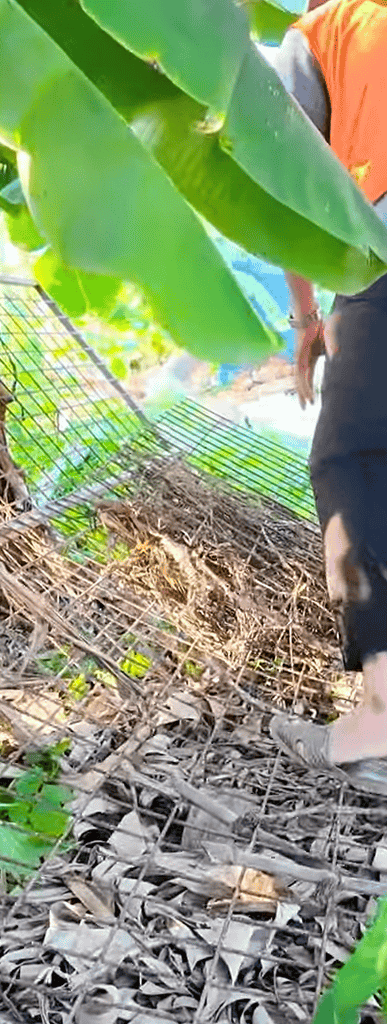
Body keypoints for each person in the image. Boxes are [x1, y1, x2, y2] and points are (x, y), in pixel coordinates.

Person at [262, 0, 387, 794]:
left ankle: (380, 716)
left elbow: (280, 174)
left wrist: (308, 316)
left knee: (349, 462)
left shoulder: (329, 27)